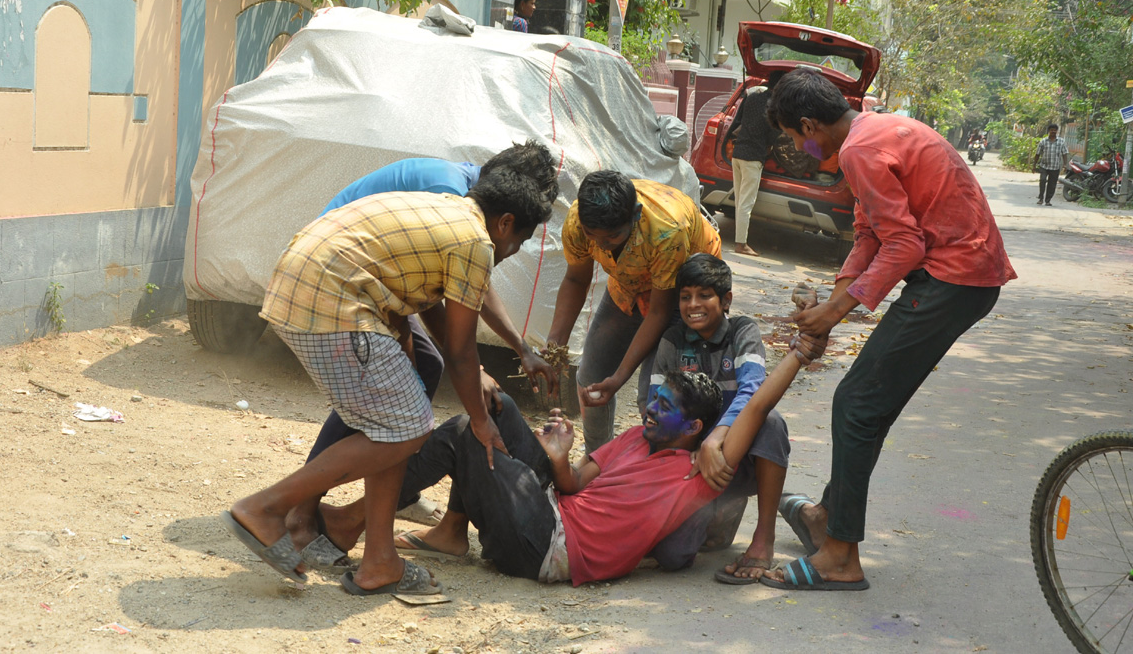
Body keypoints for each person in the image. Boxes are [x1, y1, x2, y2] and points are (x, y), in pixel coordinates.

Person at [221, 169, 553, 595]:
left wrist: (407, 356)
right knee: (409, 428)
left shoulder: (448, 209)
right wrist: (481, 422)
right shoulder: (476, 243)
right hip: (331, 302)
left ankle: (379, 561)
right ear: (505, 222)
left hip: (304, 284)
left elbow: (415, 290)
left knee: (400, 417)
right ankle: (266, 508)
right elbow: (460, 351)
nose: (512, 250)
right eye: (519, 241)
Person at [762, 70, 1015, 591]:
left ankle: (839, 557)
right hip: (963, 273)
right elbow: (868, 233)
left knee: (856, 404)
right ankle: (827, 518)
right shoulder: (872, 132)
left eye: (794, 138)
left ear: (810, 125)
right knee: (866, 405)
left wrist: (834, 315)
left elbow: (903, 246)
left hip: (955, 277)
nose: (799, 149)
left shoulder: (857, 152)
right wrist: (834, 301)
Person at [320, 352, 823, 588]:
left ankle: (351, 522)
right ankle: (447, 532)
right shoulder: (636, 436)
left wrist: (800, 351)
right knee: (494, 410)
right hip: (547, 512)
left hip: (550, 548)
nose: (649, 409)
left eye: (663, 405)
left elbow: (757, 408)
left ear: (693, 426)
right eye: (653, 398)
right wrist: (560, 456)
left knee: (462, 431)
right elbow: (575, 485)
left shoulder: (696, 472)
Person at [290, 144, 561, 542]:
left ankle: (395, 489)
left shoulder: (475, 201)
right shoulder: (451, 197)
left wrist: (520, 347)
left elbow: (465, 285)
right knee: (391, 405)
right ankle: (297, 508)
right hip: (347, 275)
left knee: (418, 381)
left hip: (364, 274)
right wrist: (477, 379)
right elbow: (439, 297)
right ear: (509, 213)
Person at [543, 171, 722, 454]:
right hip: (628, 284)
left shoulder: (667, 230)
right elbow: (576, 279)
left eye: (613, 236)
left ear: (635, 215)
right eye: (593, 236)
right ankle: (599, 460)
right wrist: (555, 346)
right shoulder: (579, 219)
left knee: (655, 394)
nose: (602, 244)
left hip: (682, 293)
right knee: (590, 377)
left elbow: (659, 313)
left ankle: (651, 470)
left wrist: (619, 378)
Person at [646, 254, 793, 584]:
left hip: (736, 458)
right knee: (673, 555)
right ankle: (721, 511)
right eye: (685, 297)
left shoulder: (743, 331)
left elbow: (753, 389)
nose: (693, 305)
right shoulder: (673, 341)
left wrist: (715, 438)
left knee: (770, 421)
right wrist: (692, 449)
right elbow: (655, 406)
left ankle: (763, 537)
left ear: (726, 300)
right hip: (692, 463)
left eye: (704, 295)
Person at [725, 71, 784, 257]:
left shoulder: (751, 98)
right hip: (753, 157)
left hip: (738, 153)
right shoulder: (775, 107)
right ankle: (741, 244)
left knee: (740, 202)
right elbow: (775, 134)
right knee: (746, 203)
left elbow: (738, 121)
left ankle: (739, 239)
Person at [1035, 123, 1070, 206]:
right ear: (1049, 131)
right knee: (1042, 180)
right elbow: (1037, 154)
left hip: (1055, 167)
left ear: (1057, 131)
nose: (1053, 131)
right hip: (1044, 165)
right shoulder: (1043, 141)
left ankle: (1048, 200)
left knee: (1052, 184)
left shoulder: (1061, 141)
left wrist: (1065, 164)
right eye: (1051, 130)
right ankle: (1040, 198)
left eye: (1055, 130)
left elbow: (1064, 153)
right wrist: (1034, 165)